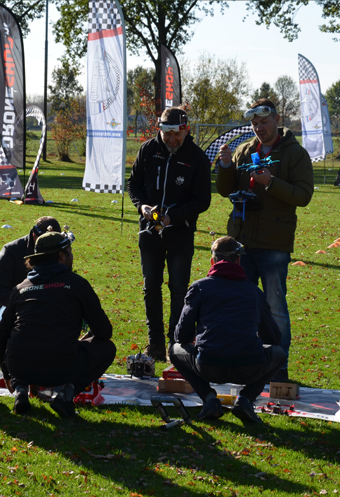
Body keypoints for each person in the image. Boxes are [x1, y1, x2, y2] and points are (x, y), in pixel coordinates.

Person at [216, 98, 314, 382]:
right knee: (239, 305)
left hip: (274, 243)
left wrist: (270, 182)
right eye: (255, 124)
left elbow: (303, 196)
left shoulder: (296, 154)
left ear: (277, 119)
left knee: (274, 309)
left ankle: (277, 370)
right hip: (241, 243)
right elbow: (225, 190)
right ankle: (240, 363)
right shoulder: (244, 151)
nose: (259, 128)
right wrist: (224, 166)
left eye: (264, 122)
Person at [0, 232, 116, 417]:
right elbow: (104, 332)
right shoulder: (77, 284)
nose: (72, 255)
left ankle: (20, 390)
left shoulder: (20, 289)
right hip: (61, 368)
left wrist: (8, 374)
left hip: (20, 367)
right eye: (70, 251)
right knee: (107, 348)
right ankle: (67, 395)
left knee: (22, 342)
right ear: (61, 255)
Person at [169, 236, 287, 424]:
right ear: (239, 261)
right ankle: (246, 399)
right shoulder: (254, 292)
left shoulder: (200, 287)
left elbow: (180, 336)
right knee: (279, 353)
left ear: (212, 261)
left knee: (174, 349)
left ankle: (209, 399)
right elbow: (274, 337)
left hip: (209, 365)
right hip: (249, 366)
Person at [127, 106, 212, 362]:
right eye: (167, 134)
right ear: (159, 130)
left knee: (178, 289)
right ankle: (154, 343)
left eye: (176, 134)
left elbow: (202, 200)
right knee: (150, 287)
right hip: (149, 231)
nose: (171, 140)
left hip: (180, 235)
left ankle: (175, 342)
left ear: (185, 129)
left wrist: (173, 216)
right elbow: (133, 184)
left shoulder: (197, 157)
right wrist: (142, 206)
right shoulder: (148, 149)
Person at [0, 216, 61, 326]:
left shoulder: (59, 252)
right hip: (8, 305)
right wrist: (26, 302)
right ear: (34, 235)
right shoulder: (11, 250)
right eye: (45, 243)